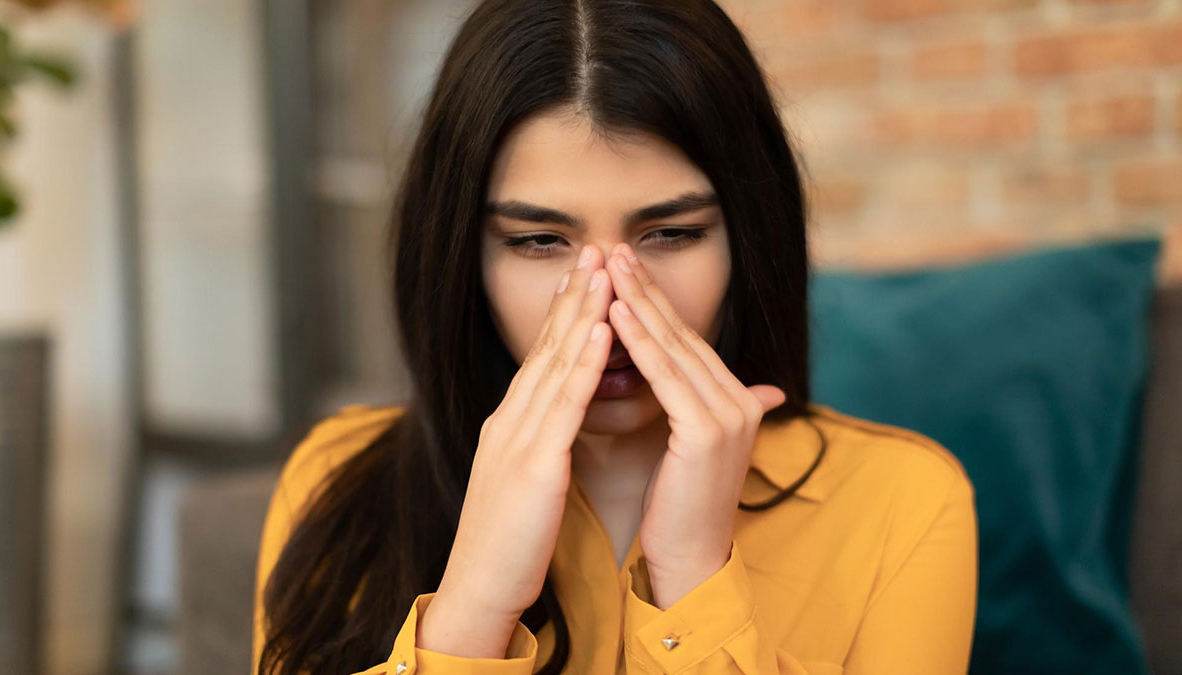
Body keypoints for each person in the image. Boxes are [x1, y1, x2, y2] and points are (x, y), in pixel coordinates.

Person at [252, 1, 979, 673]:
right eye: (538, 239)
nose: (604, 301)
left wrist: (694, 577)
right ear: (461, 256)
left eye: (671, 232)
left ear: (749, 242)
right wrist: (474, 603)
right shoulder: (339, 480)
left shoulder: (901, 504)